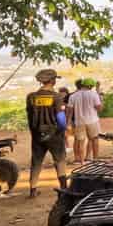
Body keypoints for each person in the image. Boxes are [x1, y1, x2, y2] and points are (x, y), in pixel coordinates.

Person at [26, 69, 67, 198]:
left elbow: (29, 115)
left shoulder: (31, 97)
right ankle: (64, 188)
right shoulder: (57, 97)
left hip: (37, 133)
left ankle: (32, 189)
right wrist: (63, 130)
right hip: (54, 133)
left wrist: (34, 131)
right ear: (52, 81)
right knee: (59, 160)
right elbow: (61, 118)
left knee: (36, 161)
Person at [69, 78, 103, 163]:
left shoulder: (73, 96)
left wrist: (68, 122)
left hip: (79, 121)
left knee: (80, 141)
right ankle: (95, 159)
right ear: (90, 86)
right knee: (94, 139)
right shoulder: (94, 94)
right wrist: (100, 100)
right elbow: (99, 108)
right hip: (92, 121)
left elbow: (69, 110)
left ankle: (81, 161)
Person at [58, 86, 72, 156]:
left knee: (65, 135)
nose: (62, 95)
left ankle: (67, 147)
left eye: (63, 94)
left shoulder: (68, 101)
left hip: (66, 120)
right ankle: (65, 148)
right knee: (63, 135)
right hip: (60, 120)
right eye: (60, 94)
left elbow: (69, 112)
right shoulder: (59, 101)